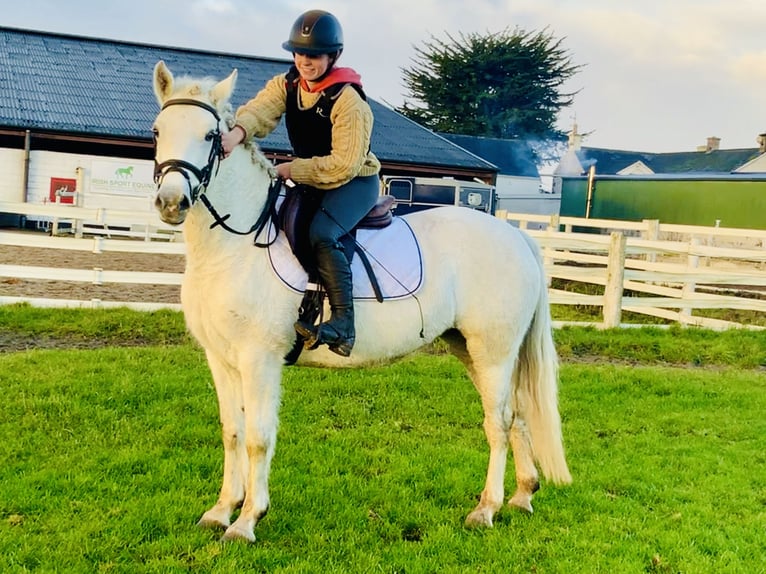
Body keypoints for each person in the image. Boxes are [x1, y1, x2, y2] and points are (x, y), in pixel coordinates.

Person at [221, 9, 381, 357]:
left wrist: (293, 169)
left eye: (314, 55)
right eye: (300, 53)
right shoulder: (288, 84)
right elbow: (260, 110)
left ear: (332, 56)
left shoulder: (349, 101)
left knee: (321, 234)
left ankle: (342, 324)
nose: (305, 61)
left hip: (354, 181)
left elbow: (344, 165)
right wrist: (236, 133)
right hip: (314, 176)